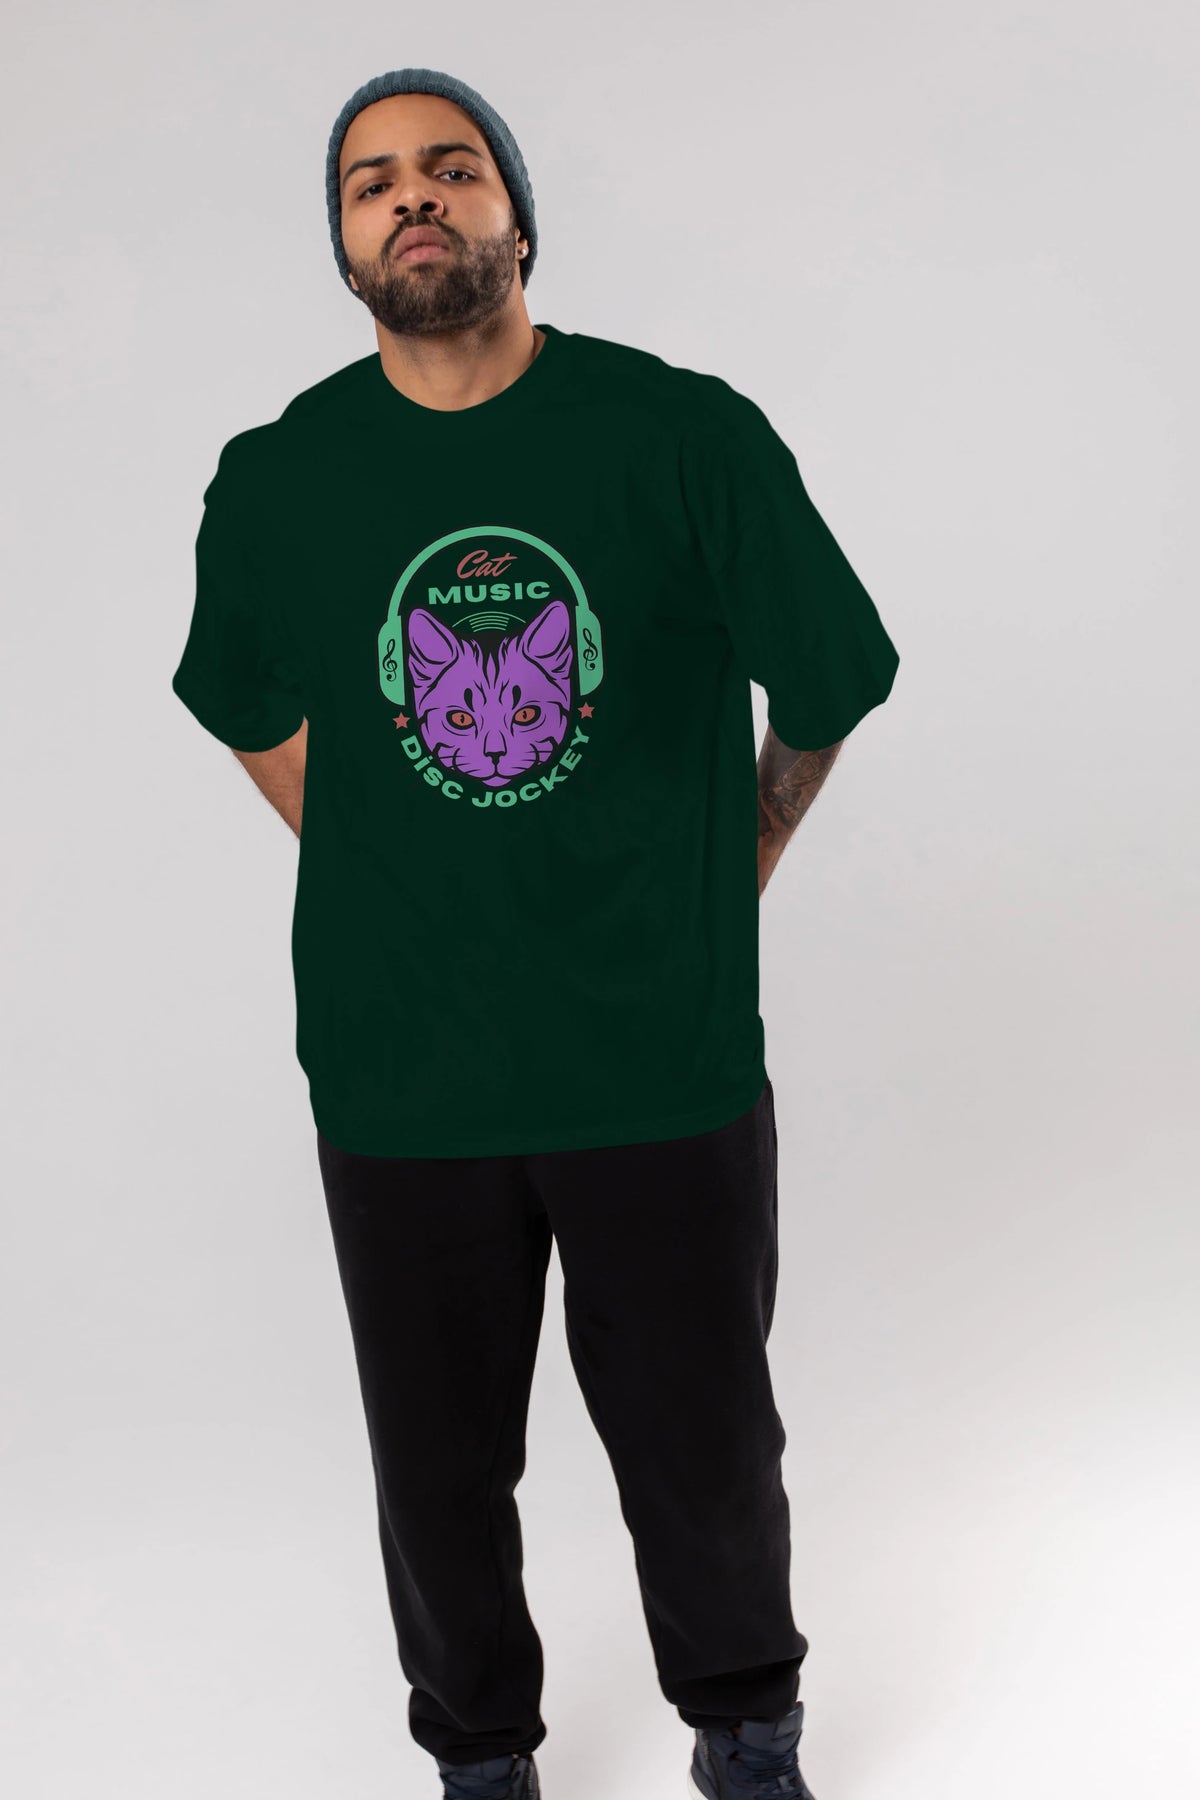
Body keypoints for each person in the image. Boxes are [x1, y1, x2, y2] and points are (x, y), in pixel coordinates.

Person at [170, 65, 899, 1800]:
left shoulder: (683, 436)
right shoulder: (278, 477)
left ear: (517, 215)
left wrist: (744, 851)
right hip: (403, 1070)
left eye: (452, 166)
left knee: (704, 1443)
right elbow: (245, 701)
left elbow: (829, 674)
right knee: (435, 1470)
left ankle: (747, 1729)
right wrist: (386, 852)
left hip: (658, 1054)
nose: (413, 197)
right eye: (371, 183)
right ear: (344, 244)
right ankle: (480, 1757)